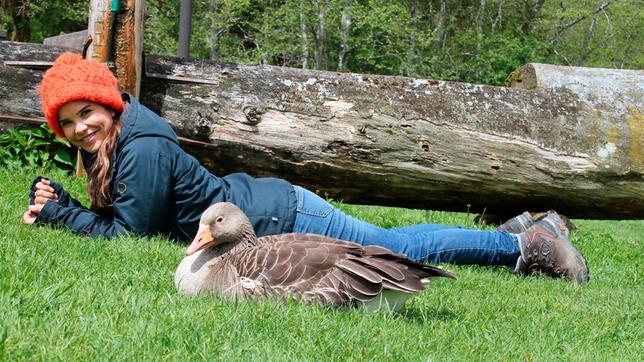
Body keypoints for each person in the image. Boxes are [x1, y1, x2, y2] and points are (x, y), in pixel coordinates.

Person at [23, 52, 589, 283]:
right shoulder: (123, 140)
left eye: (86, 113)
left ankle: (529, 245)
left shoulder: (140, 147)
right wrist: (63, 202)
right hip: (262, 211)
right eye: (67, 123)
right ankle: (514, 232)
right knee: (393, 243)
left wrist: (64, 216)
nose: (79, 129)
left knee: (395, 247)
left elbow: (131, 232)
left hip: (276, 215)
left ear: (109, 103)